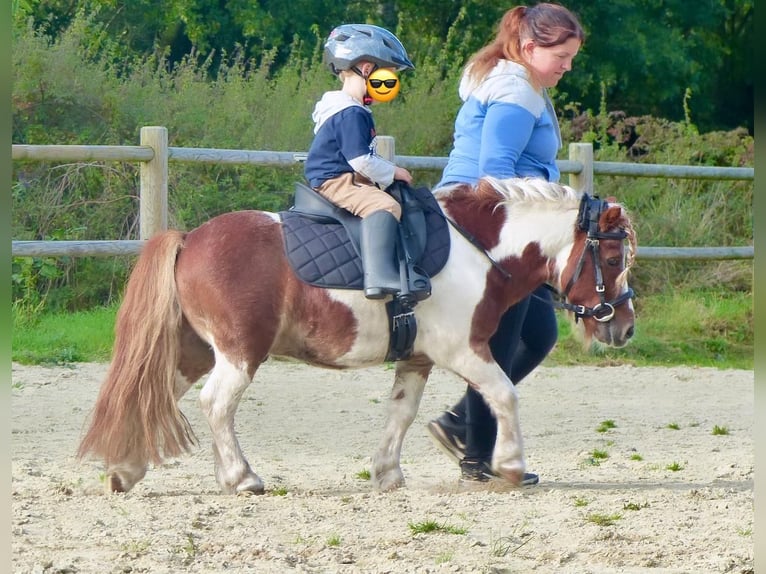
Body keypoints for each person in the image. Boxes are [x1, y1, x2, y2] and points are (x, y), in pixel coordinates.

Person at [427, 3, 585, 484]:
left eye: (573, 57)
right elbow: (496, 173)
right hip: (491, 227)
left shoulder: (517, 81)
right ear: (530, 46)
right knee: (501, 340)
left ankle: (460, 424)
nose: (567, 66)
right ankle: (480, 457)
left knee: (537, 335)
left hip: (493, 224)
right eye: (561, 55)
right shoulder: (516, 90)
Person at [304, 24, 415, 299]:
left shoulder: (348, 110)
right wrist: (395, 172)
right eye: (388, 74)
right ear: (367, 69)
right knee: (386, 206)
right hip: (338, 181)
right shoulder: (351, 113)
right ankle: (378, 276)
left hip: (342, 178)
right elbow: (361, 161)